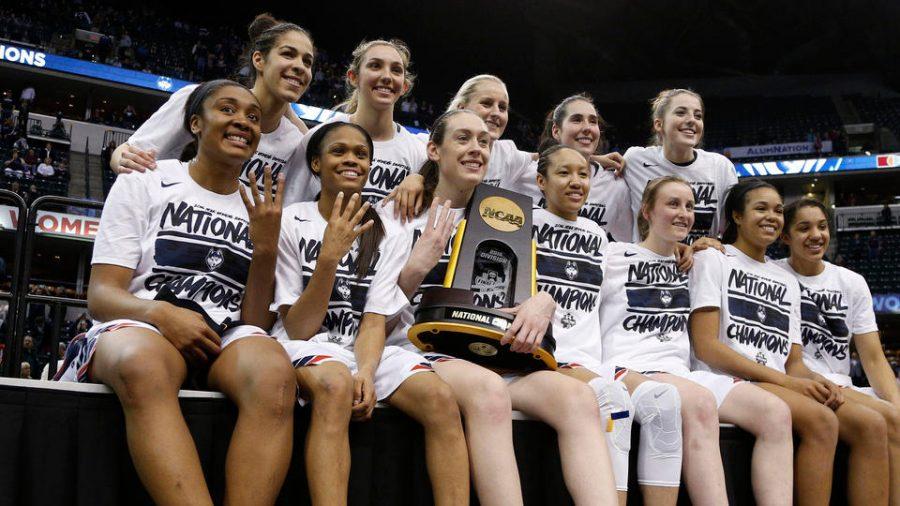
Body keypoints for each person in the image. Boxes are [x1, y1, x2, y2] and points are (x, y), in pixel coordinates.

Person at [56, 80, 296, 505]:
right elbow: (102, 296)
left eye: (254, 117)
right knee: (142, 363)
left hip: (223, 333)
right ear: (195, 124)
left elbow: (256, 322)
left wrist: (264, 249)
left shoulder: (265, 206)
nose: (242, 121)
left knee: (276, 376)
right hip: (139, 321)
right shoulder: (145, 180)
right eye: (227, 109)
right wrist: (163, 315)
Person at [386, 110, 618, 505]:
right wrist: (414, 270)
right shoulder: (400, 213)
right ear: (433, 149)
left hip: (496, 352)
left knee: (580, 400)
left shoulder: (506, 215)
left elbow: (527, 291)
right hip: (419, 350)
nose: (477, 149)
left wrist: (544, 301)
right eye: (463, 139)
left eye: (484, 141)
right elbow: (371, 314)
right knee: (490, 392)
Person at [270, 121, 469, 505]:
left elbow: (375, 320)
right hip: (307, 342)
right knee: (336, 386)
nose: (351, 160)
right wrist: (328, 259)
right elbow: (297, 327)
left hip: (365, 347)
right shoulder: (292, 220)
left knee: (441, 399)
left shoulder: (389, 232)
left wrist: (365, 370)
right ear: (315, 164)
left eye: (360, 154)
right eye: (338, 151)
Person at [600, 174, 796, 504]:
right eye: (672, 204)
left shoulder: (693, 261)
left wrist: (704, 245)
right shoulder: (613, 254)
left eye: (689, 206)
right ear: (647, 211)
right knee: (699, 401)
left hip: (682, 372)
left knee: (776, 413)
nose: (683, 213)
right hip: (628, 367)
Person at [533, 145, 682, 505]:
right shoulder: (525, 222)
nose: (576, 182)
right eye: (564, 173)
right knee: (611, 397)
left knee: (665, 400)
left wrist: (696, 246)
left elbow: (650, 251)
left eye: (583, 174)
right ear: (540, 181)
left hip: (592, 363)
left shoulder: (601, 239)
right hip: (544, 358)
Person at [691, 180, 842, 505]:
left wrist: (819, 382)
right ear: (737, 216)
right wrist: (787, 382)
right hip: (724, 380)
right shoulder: (714, 259)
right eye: (760, 208)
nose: (772, 216)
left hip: (773, 382)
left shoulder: (786, 279)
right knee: (823, 422)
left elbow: (794, 362)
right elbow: (706, 347)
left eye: (777, 210)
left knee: (856, 417)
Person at [109, 14, 316, 201]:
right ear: (259, 60)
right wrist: (123, 159)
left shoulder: (298, 143)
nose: (300, 66)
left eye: (307, 62)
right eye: (288, 54)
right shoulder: (201, 99)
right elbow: (127, 154)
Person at [777, 197, 898, 504]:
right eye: (803, 228)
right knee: (878, 421)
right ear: (786, 236)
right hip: (797, 382)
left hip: (840, 384)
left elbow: (872, 356)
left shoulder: (851, 281)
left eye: (821, 226)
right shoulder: (773, 274)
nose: (815, 235)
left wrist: (896, 402)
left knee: (896, 417)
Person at [287, 39, 427, 208]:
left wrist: (421, 178)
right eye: (375, 66)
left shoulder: (417, 152)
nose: (387, 76)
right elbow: (290, 208)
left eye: (396, 70)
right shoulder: (320, 137)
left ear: (404, 86)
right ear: (353, 77)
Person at [624, 89, 738, 246]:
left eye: (698, 116)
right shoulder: (635, 160)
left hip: (701, 265)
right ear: (659, 124)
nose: (692, 120)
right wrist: (598, 158)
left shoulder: (720, 166)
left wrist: (716, 244)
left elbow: (733, 228)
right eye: (681, 113)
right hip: (648, 265)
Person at [531, 95, 633, 242]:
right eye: (577, 119)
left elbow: (629, 243)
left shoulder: (615, 186)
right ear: (556, 130)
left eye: (593, 121)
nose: (587, 128)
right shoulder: (526, 173)